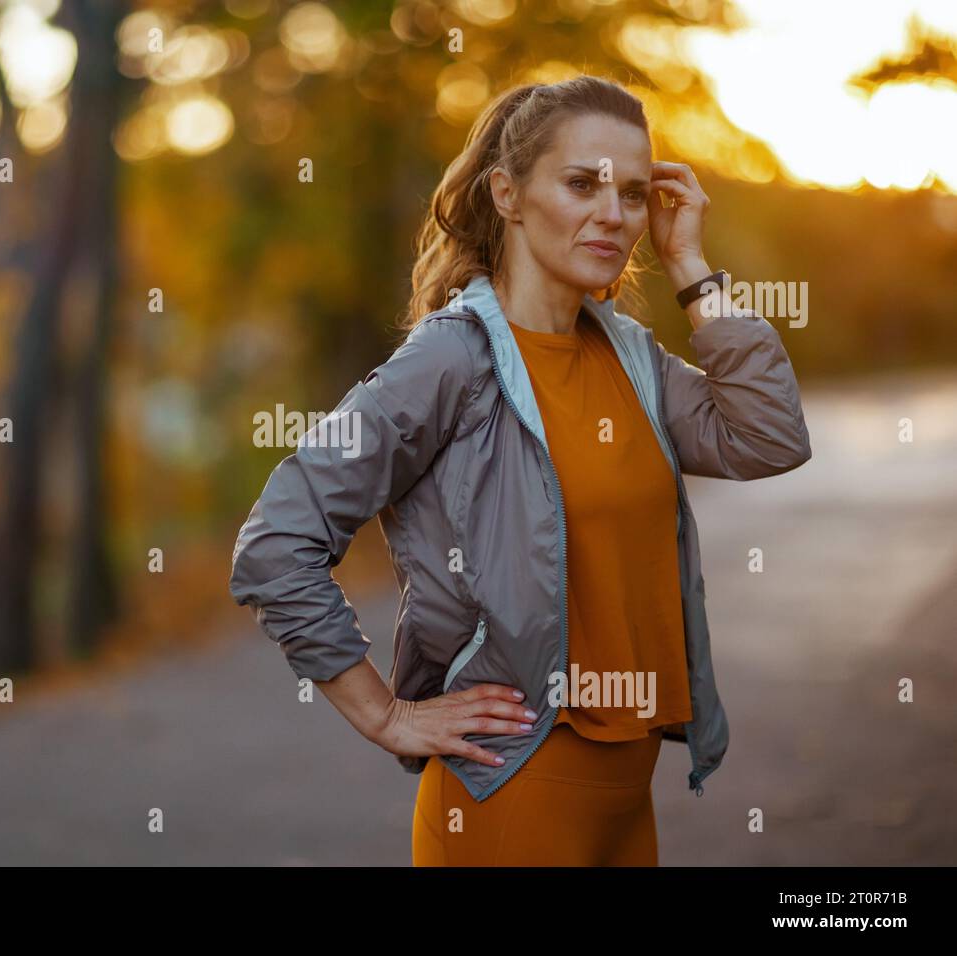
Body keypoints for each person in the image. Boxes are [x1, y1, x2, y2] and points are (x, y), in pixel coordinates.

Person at [229, 75, 812, 866]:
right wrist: (386, 715)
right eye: (582, 184)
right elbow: (277, 542)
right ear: (507, 193)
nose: (613, 214)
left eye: (635, 194)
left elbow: (768, 436)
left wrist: (692, 268)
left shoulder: (631, 358)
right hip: (512, 797)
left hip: (626, 793)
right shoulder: (451, 359)